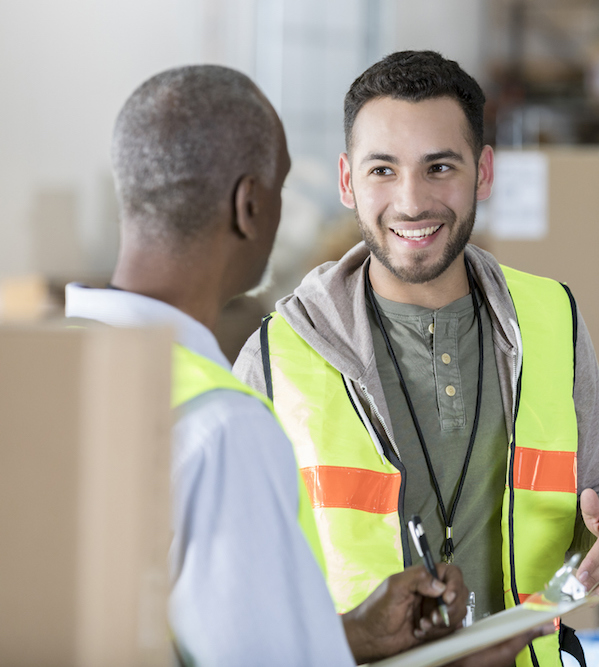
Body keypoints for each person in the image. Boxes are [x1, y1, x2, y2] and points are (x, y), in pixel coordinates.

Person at [65, 64, 546, 667]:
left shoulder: (45, 378)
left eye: (439, 167)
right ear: (250, 206)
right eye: (282, 187)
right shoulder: (222, 424)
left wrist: (353, 636)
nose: (411, 198)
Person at [233, 50, 599, 667]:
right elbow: (243, 590)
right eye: (383, 169)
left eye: (439, 167)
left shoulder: (552, 319)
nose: (411, 201)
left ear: (483, 172)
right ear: (348, 180)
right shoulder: (278, 355)